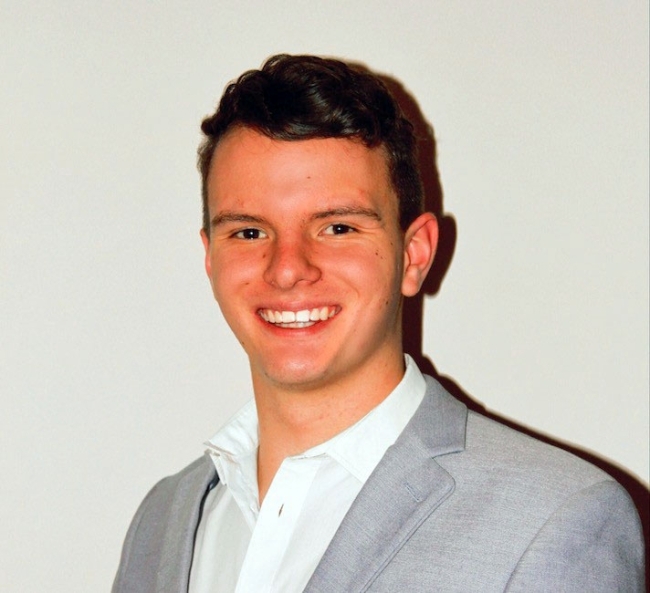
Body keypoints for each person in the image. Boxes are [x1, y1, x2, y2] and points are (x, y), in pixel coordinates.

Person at [112, 54, 644, 593]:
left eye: (337, 227)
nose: (289, 268)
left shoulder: (554, 522)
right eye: (248, 233)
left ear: (414, 255)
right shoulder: (163, 521)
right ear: (210, 258)